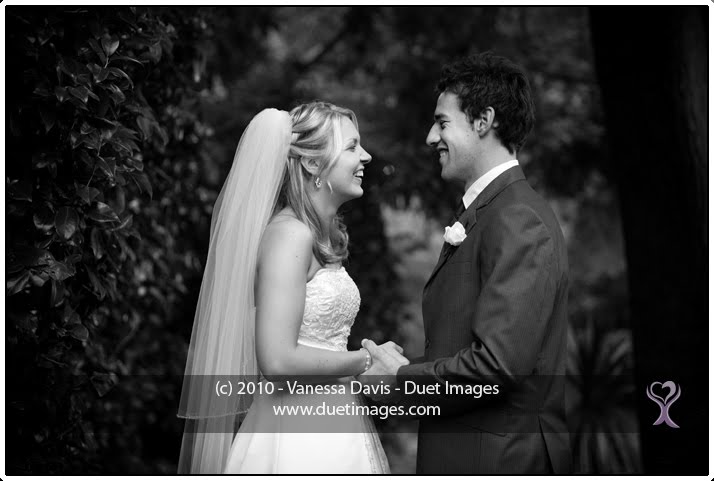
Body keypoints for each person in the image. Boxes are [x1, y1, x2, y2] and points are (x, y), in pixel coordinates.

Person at [361, 52, 572, 474]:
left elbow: (497, 367)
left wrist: (402, 378)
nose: (430, 138)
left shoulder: (517, 218)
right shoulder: (490, 212)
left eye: (442, 123)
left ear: (483, 121)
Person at [176, 102, 407, 474]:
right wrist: (366, 361)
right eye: (352, 146)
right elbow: (277, 361)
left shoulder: (321, 235)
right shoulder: (289, 235)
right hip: (294, 435)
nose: (365, 156)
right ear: (313, 164)